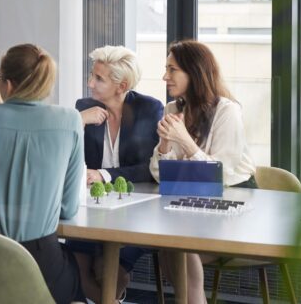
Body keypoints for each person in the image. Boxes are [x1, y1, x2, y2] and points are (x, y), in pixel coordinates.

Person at [0, 43, 85, 304]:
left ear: (8, 85)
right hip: (40, 261)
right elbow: (67, 208)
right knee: (75, 269)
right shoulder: (70, 119)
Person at [149, 39, 256, 303]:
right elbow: (160, 176)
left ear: (194, 72)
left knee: (178, 247)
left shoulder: (227, 111)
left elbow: (219, 175)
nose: (165, 76)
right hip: (193, 204)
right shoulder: (174, 109)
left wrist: (184, 140)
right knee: (171, 245)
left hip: (234, 205)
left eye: (172, 69)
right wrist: (164, 144)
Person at [70, 45, 163, 303]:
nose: (90, 83)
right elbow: (65, 157)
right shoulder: (84, 107)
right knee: (78, 268)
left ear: (121, 86)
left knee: (108, 271)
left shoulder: (149, 109)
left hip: (136, 213)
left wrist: (104, 174)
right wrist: (78, 120)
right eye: (92, 75)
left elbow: (150, 169)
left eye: (98, 78)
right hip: (90, 210)